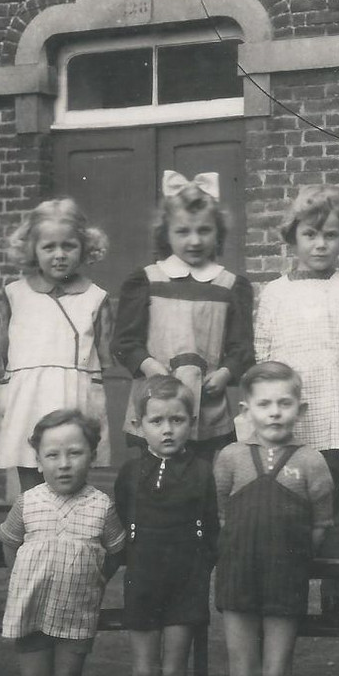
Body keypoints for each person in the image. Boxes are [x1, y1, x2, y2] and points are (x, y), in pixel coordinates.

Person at [213, 362, 336, 676]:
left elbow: (321, 521)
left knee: (276, 673)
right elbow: (224, 517)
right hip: (239, 578)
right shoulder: (229, 458)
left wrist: (294, 557)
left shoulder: (310, 461)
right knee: (244, 674)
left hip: (285, 579)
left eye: (284, 403)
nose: (275, 413)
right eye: (264, 404)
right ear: (247, 410)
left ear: (299, 409)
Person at [254, 185, 339, 618]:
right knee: (293, 492)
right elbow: (264, 352)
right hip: (290, 411)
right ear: (294, 238)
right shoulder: (274, 293)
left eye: (330, 235)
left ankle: (332, 581)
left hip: (338, 407)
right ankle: (290, 581)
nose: (320, 244)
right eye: (310, 234)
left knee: (336, 493)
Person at [0, 410, 125, 676]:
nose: (64, 464)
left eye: (75, 453)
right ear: (37, 459)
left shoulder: (102, 506)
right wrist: (22, 579)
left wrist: (96, 578)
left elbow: (116, 552)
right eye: (52, 455)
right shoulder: (28, 502)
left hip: (77, 609)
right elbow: (9, 543)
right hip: (32, 608)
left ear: (92, 455)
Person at [111, 376, 220, 676]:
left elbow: (211, 530)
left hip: (185, 583)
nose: (168, 429)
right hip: (143, 581)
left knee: (175, 671)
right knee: (144, 671)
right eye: (157, 421)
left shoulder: (201, 472)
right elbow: (122, 518)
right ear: (140, 425)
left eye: (177, 420)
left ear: (192, 423)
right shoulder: (130, 473)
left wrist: (197, 568)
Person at [113, 170, 254, 460]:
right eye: (183, 231)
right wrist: (150, 366)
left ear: (218, 232)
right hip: (155, 399)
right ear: (166, 233)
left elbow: (242, 348)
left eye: (204, 230)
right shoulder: (147, 281)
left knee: (201, 476)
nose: (194, 240)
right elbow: (125, 342)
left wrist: (225, 373)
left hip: (207, 403)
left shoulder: (230, 285)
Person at [0, 199, 113, 492]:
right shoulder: (15, 295)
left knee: (72, 478)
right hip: (28, 401)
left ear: (84, 247)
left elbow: (105, 359)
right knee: (31, 488)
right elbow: (2, 352)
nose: (59, 255)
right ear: (32, 248)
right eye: (49, 247)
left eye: (68, 246)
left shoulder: (95, 298)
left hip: (73, 398)